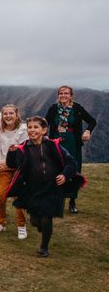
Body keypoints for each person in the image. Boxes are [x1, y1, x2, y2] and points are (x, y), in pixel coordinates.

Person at [5, 116, 85, 257]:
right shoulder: (24, 148)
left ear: (44, 130)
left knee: (47, 217)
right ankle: (40, 225)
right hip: (32, 188)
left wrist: (65, 175)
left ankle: (44, 248)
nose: (32, 130)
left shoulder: (53, 145)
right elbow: (12, 164)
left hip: (52, 187)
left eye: (36, 127)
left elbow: (71, 162)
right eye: (29, 127)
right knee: (35, 221)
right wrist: (11, 153)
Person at [45, 85, 97, 213]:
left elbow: (92, 121)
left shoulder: (77, 108)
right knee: (56, 169)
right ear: (58, 95)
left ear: (71, 95)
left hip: (72, 142)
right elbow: (44, 123)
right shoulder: (53, 109)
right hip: (56, 142)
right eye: (61, 93)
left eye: (66, 93)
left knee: (73, 169)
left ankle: (72, 202)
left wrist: (87, 131)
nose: (63, 95)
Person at [0, 104, 28, 239]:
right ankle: (0, 222)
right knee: (0, 196)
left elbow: (24, 152)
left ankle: (21, 225)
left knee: (19, 197)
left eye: (11, 113)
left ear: (16, 115)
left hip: (19, 167)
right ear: (2, 115)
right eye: (5, 114)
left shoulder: (23, 130)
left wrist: (8, 165)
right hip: (2, 167)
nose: (8, 116)